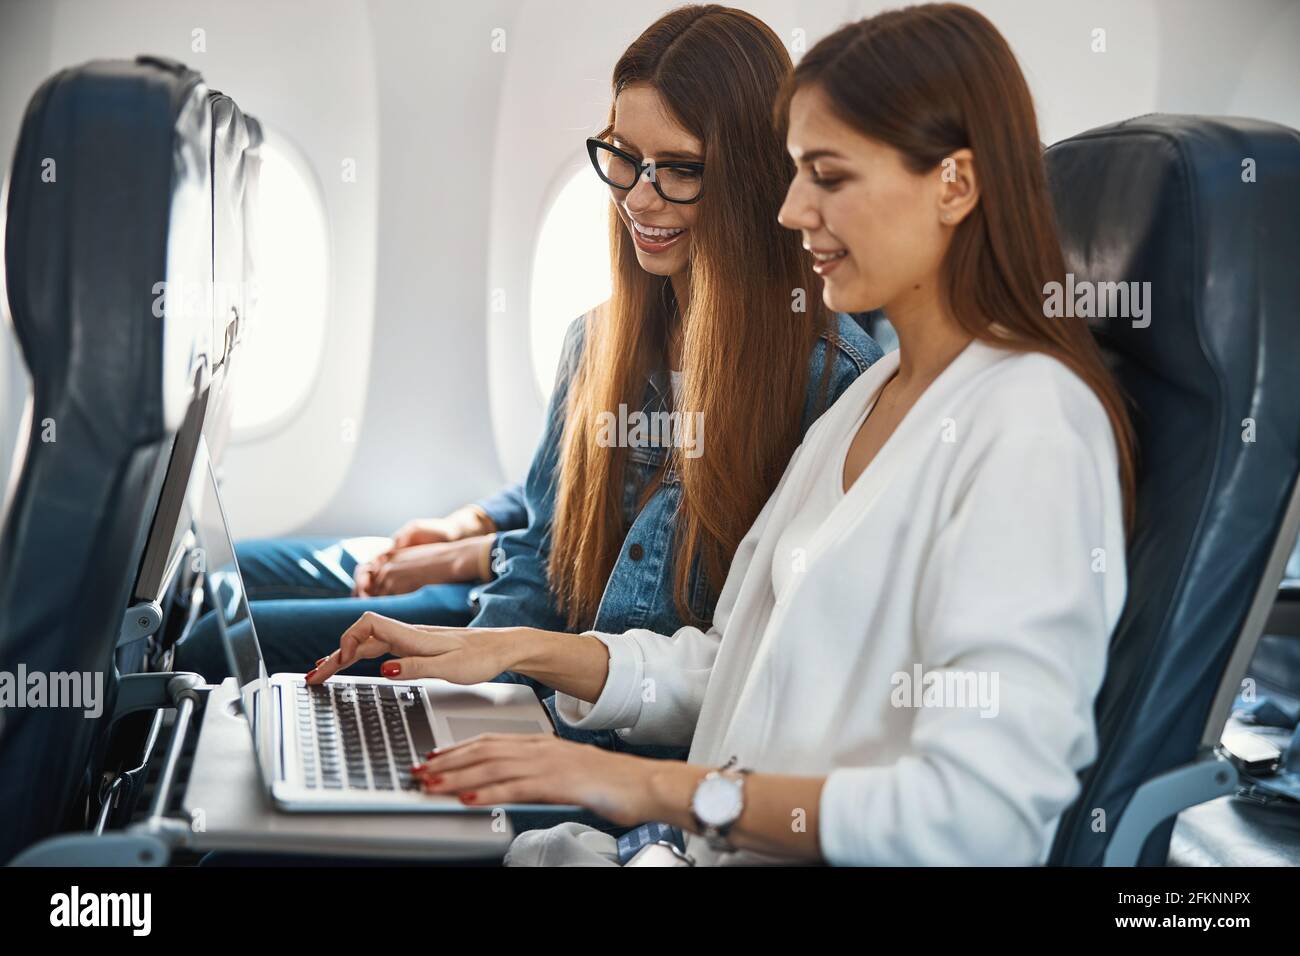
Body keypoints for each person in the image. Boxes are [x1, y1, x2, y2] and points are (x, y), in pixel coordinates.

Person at [309, 2, 1138, 866]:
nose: (788, 210)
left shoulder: (1031, 423)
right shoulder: (875, 403)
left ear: (955, 185)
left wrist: (641, 789)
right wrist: (509, 650)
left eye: (828, 175)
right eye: (793, 173)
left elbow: (980, 818)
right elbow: (726, 666)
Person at [177, 2, 883, 724]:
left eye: (679, 170)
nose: (638, 197)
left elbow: (763, 669)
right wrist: (460, 699)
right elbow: (544, 557)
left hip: (622, 738)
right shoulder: (596, 344)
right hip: (539, 692)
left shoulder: (828, 381)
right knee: (215, 635)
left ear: (754, 183)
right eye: (625, 158)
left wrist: (493, 678)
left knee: (218, 656)